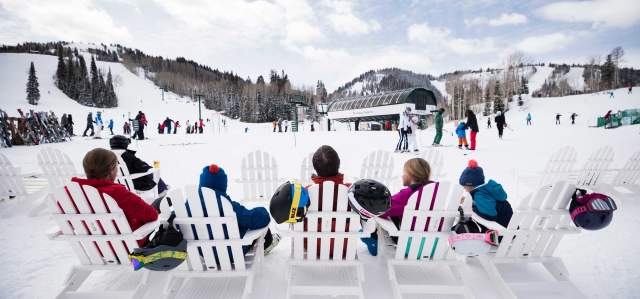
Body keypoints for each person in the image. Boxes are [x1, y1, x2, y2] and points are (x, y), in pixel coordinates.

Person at [72, 148, 158, 246]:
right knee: (160, 205)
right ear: (111, 170)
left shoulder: (72, 193)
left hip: (97, 249)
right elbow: (152, 215)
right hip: (129, 247)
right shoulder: (117, 193)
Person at [199, 164, 280, 254]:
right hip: (230, 253)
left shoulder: (188, 207)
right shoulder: (228, 206)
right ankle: (267, 245)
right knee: (256, 224)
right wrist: (262, 210)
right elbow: (260, 218)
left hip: (202, 252)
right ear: (222, 184)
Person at [361, 158, 433, 255]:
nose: (402, 176)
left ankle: (373, 241)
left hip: (410, 245)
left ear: (411, 174)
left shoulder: (407, 194)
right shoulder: (438, 192)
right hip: (433, 245)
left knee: (372, 220)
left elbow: (381, 210)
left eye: (404, 172)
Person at [109, 135, 169, 201]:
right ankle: (163, 194)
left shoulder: (108, 156)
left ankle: (163, 188)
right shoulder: (127, 156)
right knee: (153, 173)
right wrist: (148, 167)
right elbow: (142, 168)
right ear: (124, 144)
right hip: (134, 184)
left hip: (116, 184)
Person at [459, 160, 513, 228]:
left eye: (465, 186)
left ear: (470, 186)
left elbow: (490, 215)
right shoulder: (487, 190)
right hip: (510, 228)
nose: (464, 189)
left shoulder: (479, 195)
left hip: (501, 232)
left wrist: (473, 208)